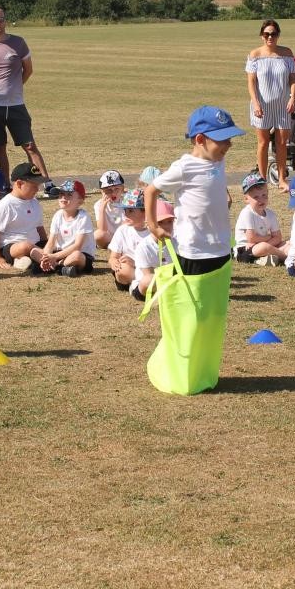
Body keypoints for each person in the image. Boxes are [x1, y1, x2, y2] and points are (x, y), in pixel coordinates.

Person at [144, 105, 245, 395]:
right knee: (193, 316)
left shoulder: (218, 162)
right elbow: (151, 190)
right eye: (222, 139)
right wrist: (153, 225)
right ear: (200, 139)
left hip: (220, 251)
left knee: (213, 317)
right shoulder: (183, 167)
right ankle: (180, 371)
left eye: (229, 138)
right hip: (192, 253)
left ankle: (202, 369)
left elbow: (213, 186)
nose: (229, 144)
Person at [0, 7, 58, 197]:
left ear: (5, 21)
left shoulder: (18, 43)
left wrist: (14, 88)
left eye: (0, 19)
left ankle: (47, 183)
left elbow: (27, 70)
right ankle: (4, 185)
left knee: (29, 145)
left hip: (15, 104)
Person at [245, 19, 295, 191]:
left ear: (278, 35)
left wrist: (293, 98)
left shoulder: (286, 53)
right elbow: (251, 82)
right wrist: (255, 103)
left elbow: (293, 78)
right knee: (263, 142)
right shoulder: (255, 55)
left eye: (273, 34)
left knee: (282, 142)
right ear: (262, 36)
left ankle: (282, 178)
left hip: (283, 104)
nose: (270, 37)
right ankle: (261, 179)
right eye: (267, 34)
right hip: (262, 104)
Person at [0, 162, 49, 273]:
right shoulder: (5, 205)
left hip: (35, 245)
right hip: (11, 247)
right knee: (25, 246)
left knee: (51, 245)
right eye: (34, 186)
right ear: (19, 184)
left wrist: (46, 243)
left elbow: (39, 227)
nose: (37, 189)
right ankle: (50, 261)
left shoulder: (34, 203)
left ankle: (26, 261)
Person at [42, 179, 96, 277]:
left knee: (76, 256)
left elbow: (77, 246)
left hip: (80, 254)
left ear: (80, 201)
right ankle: (60, 267)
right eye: (61, 194)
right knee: (34, 252)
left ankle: (57, 267)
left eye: (69, 195)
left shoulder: (83, 217)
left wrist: (54, 257)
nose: (63, 198)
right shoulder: (57, 215)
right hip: (60, 253)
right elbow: (50, 242)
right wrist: (45, 257)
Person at [234, 171, 286, 266]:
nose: (261, 200)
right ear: (246, 199)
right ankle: (286, 258)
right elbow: (252, 238)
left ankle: (263, 259)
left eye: (264, 195)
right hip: (245, 249)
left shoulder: (270, 214)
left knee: (288, 244)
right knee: (264, 247)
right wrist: (269, 238)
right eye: (256, 197)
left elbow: (278, 237)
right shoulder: (247, 213)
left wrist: (270, 242)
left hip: (261, 245)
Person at [133, 201, 175, 302]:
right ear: (149, 224)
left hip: (171, 282)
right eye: (160, 222)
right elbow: (147, 274)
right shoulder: (144, 246)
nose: (166, 226)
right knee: (149, 280)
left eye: (170, 221)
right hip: (147, 288)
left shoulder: (177, 242)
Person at [109, 188, 150, 292]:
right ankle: (135, 284)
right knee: (123, 270)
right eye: (125, 210)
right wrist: (114, 262)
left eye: (131, 211)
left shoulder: (153, 233)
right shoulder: (123, 230)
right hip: (129, 270)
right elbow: (113, 257)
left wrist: (135, 263)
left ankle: (140, 284)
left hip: (147, 269)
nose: (126, 214)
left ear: (145, 212)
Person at [94, 170, 126, 249]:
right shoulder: (98, 205)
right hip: (109, 238)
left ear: (122, 189)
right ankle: (113, 246)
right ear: (102, 192)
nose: (113, 193)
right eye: (108, 190)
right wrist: (102, 209)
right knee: (98, 235)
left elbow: (128, 225)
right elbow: (102, 229)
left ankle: (119, 246)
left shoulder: (127, 202)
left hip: (124, 236)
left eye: (116, 189)